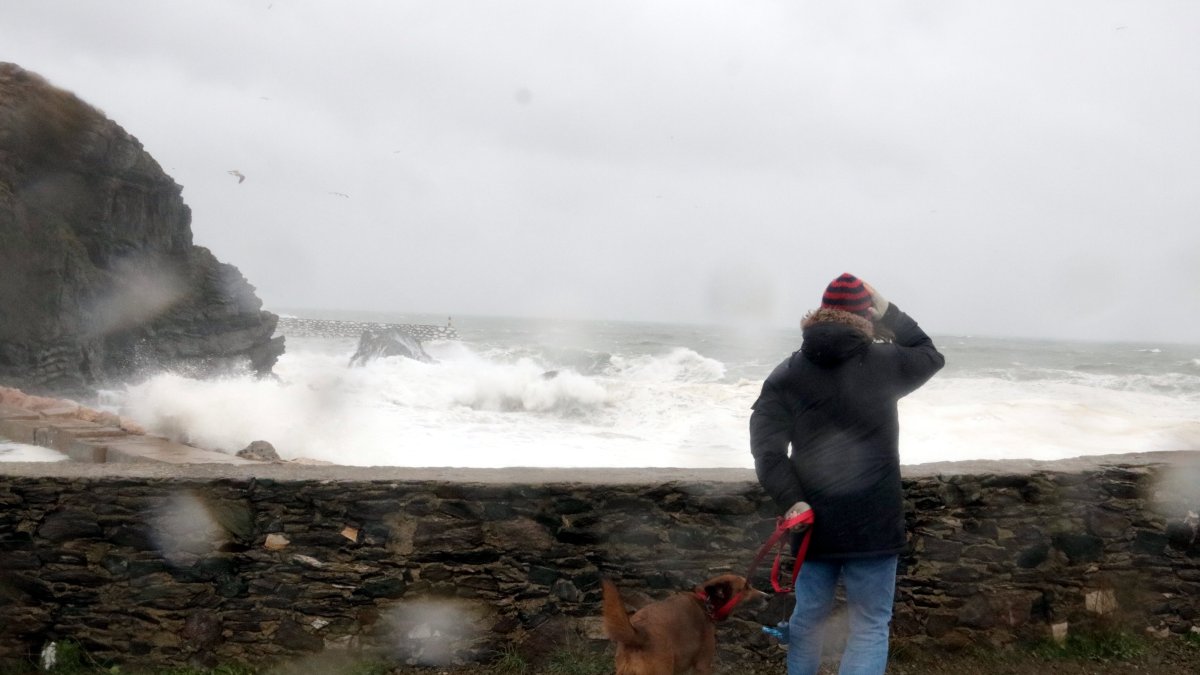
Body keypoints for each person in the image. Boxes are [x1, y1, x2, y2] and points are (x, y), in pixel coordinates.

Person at [749, 273, 944, 675]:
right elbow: (928, 353)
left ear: (819, 315)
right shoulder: (887, 362)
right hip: (874, 520)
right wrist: (890, 312)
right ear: (866, 317)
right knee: (870, 625)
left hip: (812, 523)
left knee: (807, 622)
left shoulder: (786, 373)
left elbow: (767, 450)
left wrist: (793, 502)